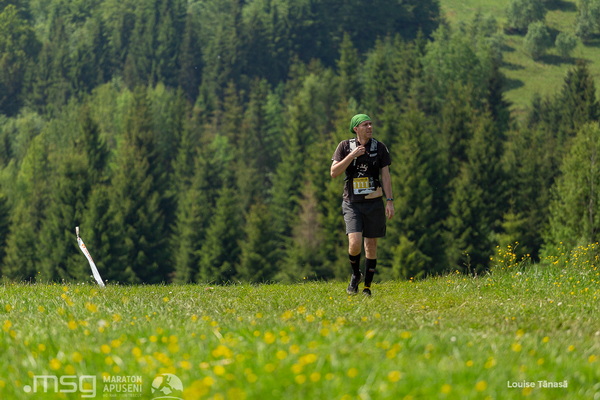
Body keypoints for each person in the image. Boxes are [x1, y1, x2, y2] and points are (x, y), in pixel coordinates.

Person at [330, 114, 394, 296]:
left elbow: (386, 176)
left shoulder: (379, 147)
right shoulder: (344, 146)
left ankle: (367, 287)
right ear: (356, 129)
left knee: (371, 245)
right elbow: (334, 172)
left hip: (374, 202)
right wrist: (352, 155)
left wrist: (389, 201)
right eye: (365, 125)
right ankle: (355, 274)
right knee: (355, 242)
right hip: (352, 203)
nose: (370, 127)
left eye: (371, 124)